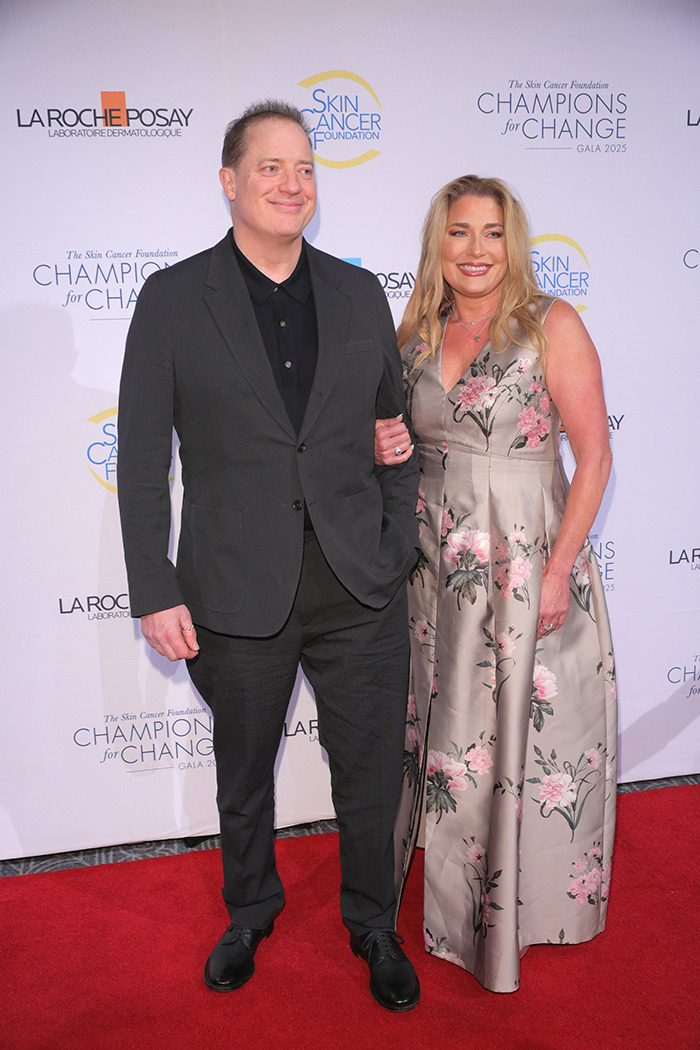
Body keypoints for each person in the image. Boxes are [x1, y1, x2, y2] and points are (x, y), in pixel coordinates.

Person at [117, 100, 421, 1011]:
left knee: (369, 776)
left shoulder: (358, 293)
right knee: (243, 772)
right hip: (235, 586)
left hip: (357, 584)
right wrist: (152, 587)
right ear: (229, 182)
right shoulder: (173, 298)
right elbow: (140, 460)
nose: (292, 185)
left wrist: (393, 539)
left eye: (305, 168)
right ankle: (249, 909)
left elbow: (394, 430)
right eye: (270, 169)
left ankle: (374, 923)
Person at [376, 175, 617, 994]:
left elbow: (595, 458)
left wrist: (559, 572)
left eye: (491, 233)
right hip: (429, 564)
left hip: (521, 564)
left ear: (511, 242)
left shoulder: (551, 325)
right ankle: (442, 895)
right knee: (446, 736)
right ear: (435, 244)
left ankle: (507, 914)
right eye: (458, 233)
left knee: (513, 737)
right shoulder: (413, 331)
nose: (475, 251)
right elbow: (404, 440)